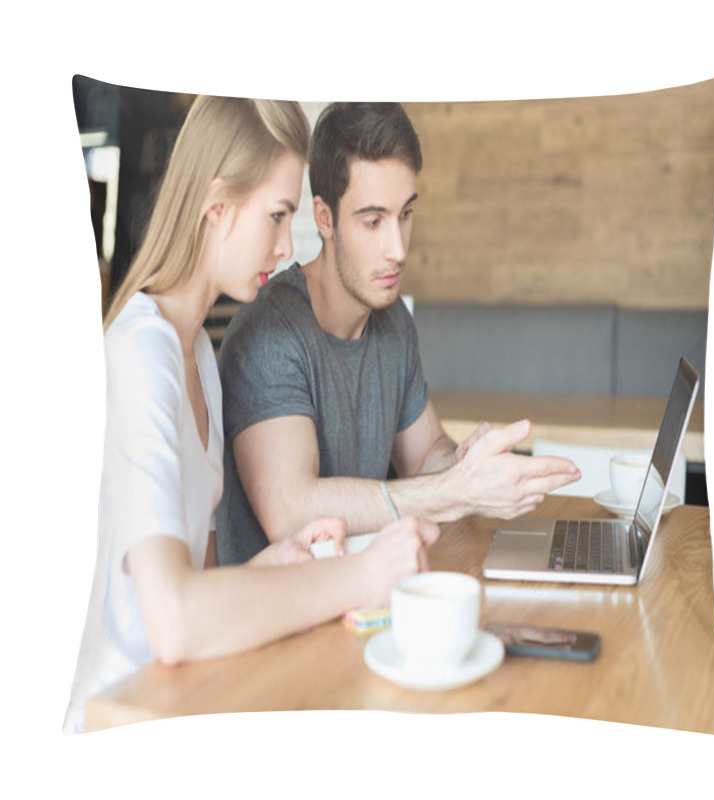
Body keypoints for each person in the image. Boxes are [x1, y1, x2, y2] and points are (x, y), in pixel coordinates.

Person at [64, 96, 439, 735]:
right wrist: (362, 575)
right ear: (217, 206)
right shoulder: (137, 352)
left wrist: (278, 564)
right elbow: (175, 620)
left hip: (185, 698)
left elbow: (205, 585)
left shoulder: (197, 358)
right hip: (117, 720)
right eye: (276, 215)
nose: (285, 242)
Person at [215, 102, 580, 565]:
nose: (398, 249)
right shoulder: (269, 335)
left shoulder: (390, 320)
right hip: (282, 622)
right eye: (373, 221)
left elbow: (425, 453)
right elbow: (291, 513)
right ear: (324, 219)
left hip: (364, 602)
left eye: (405, 214)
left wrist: (465, 463)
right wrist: (453, 490)